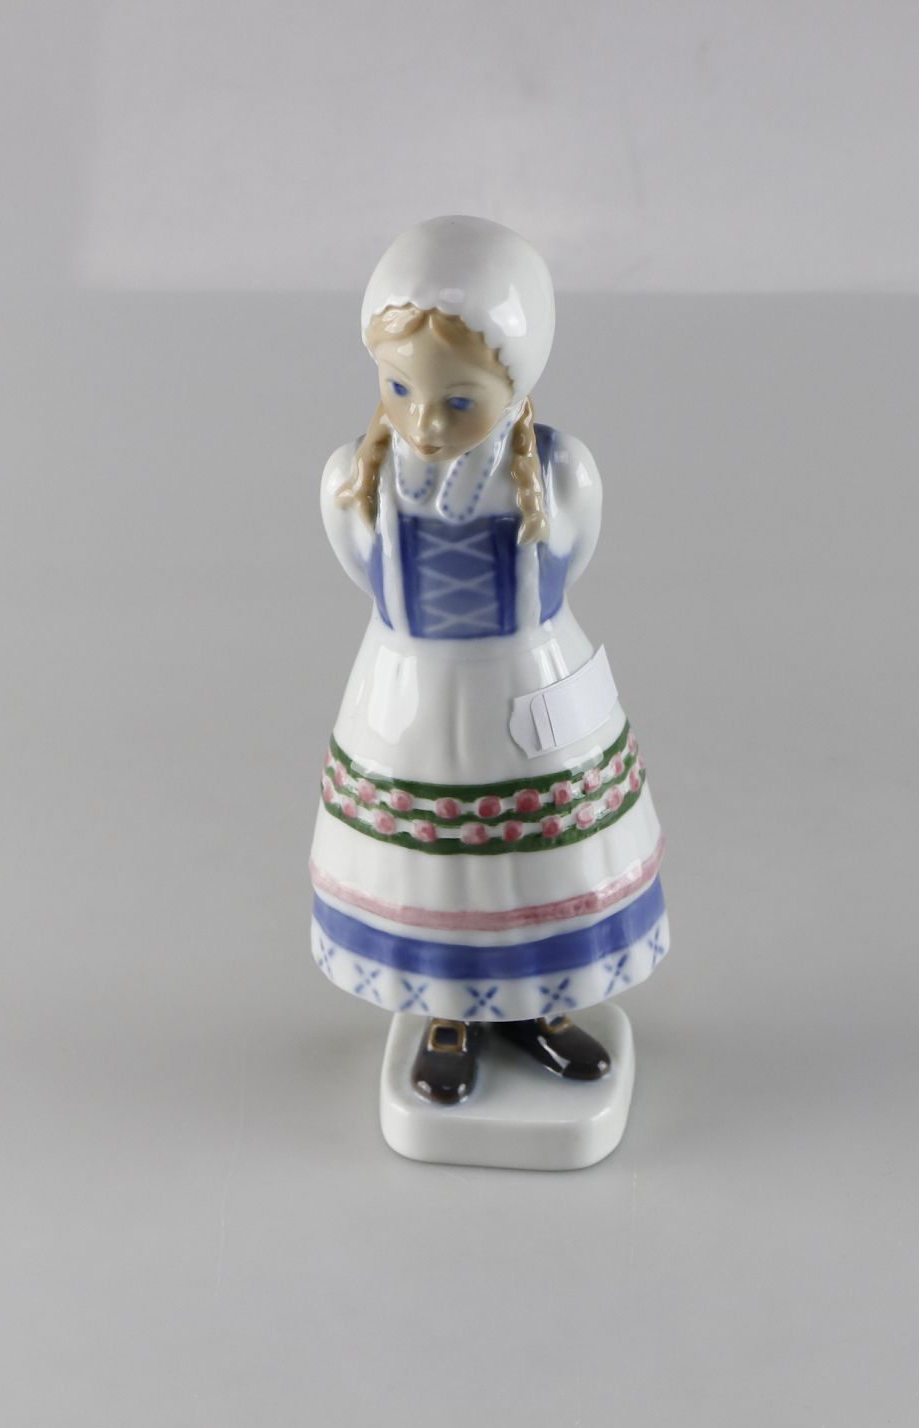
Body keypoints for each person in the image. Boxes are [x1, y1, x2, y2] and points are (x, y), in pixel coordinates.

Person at [309, 216, 669, 1105]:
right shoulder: (357, 482)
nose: (424, 422)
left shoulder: (560, 474)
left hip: (528, 688)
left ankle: (542, 1005)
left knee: (540, 857)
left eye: (458, 401)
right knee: (436, 866)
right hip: (409, 702)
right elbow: (366, 577)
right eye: (400, 389)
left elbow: (571, 562)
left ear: (516, 385)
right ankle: (449, 1016)